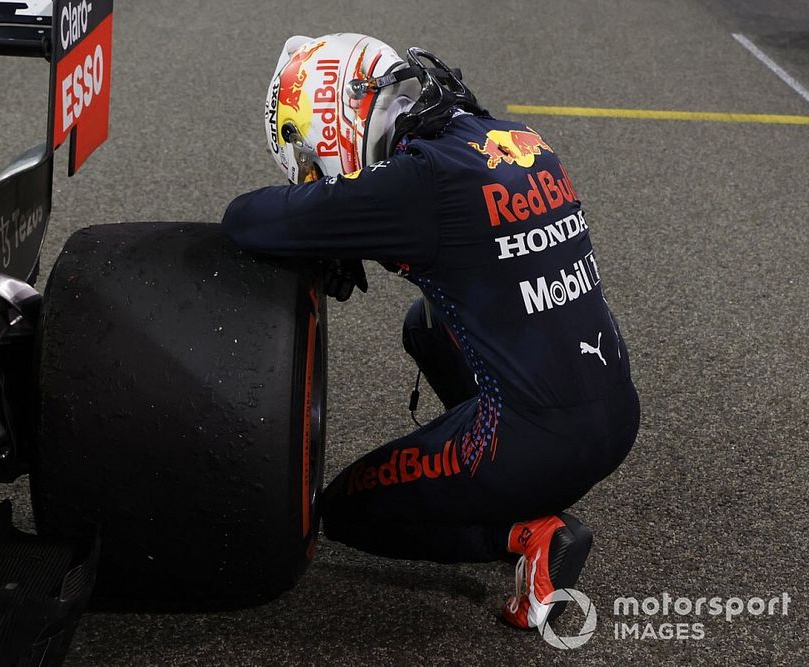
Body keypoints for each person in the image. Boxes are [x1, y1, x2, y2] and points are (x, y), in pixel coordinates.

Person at [221, 33, 640, 630]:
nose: (317, 176)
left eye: (313, 158)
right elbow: (474, 242)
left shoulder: (415, 187)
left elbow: (248, 218)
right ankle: (507, 480)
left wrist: (331, 222)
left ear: (330, 120)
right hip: (615, 413)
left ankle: (527, 533)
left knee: (347, 511)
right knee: (425, 323)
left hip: (533, 441)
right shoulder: (514, 138)